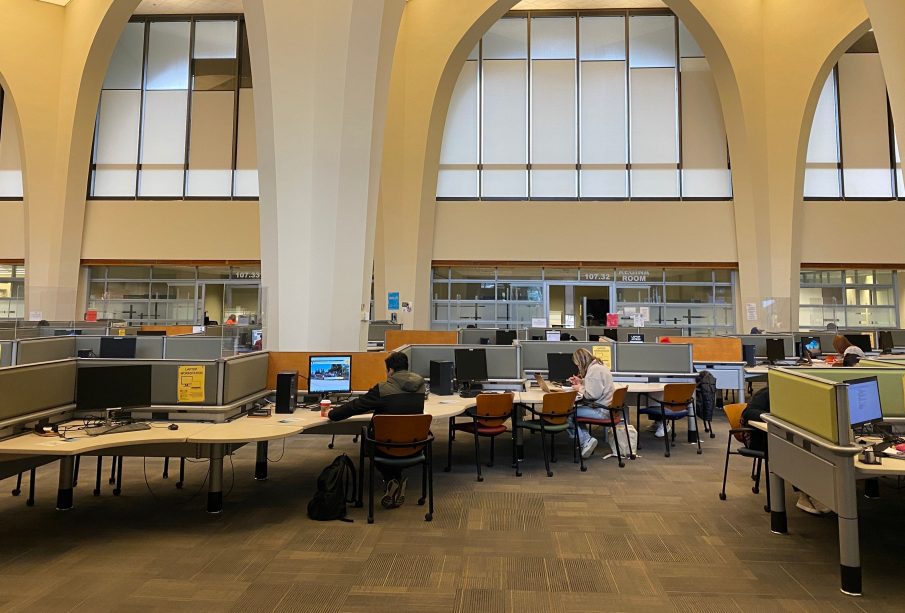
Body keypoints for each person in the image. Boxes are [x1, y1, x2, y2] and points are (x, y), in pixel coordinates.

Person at [328, 352, 426, 509]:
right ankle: (395, 482)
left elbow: (356, 406)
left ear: (391, 371)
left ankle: (391, 481)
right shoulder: (421, 387)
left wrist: (332, 414)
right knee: (396, 436)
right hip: (414, 445)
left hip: (385, 446)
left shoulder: (383, 389)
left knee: (371, 438)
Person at [741, 386, 831, 515]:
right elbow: (748, 413)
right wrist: (774, 416)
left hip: (775, 436)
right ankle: (804, 495)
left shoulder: (798, 395)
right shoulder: (768, 392)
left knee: (806, 447)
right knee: (794, 450)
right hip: (756, 437)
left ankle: (815, 492)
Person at [566, 347, 616, 459]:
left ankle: (585, 440)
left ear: (582, 361)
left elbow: (592, 395)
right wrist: (582, 381)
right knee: (575, 412)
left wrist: (579, 388)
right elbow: (595, 384)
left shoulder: (594, 370)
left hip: (601, 411)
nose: (578, 367)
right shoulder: (598, 366)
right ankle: (586, 440)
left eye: (578, 364)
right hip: (606, 408)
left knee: (568, 413)